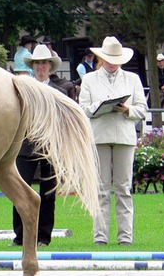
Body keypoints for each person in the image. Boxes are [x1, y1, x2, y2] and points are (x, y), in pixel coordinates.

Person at [79, 36, 148, 246]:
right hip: (99, 136)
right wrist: (99, 107)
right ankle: (100, 237)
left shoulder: (132, 79)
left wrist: (127, 110)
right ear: (102, 58)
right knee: (100, 189)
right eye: (109, 58)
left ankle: (125, 238)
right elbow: (82, 109)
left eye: (116, 59)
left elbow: (142, 109)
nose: (112, 63)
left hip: (124, 137)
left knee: (123, 189)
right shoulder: (89, 79)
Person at [11, 44, 67, 247]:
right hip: (25, 146)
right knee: (19, 190)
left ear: (50, 66)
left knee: (48, 194)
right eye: (37, 63)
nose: (41, 67)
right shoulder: (23, 89)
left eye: (44, 63)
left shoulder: (61, 92)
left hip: (50, 148)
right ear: (33, 66)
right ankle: (20, 236)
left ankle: (43, 236)